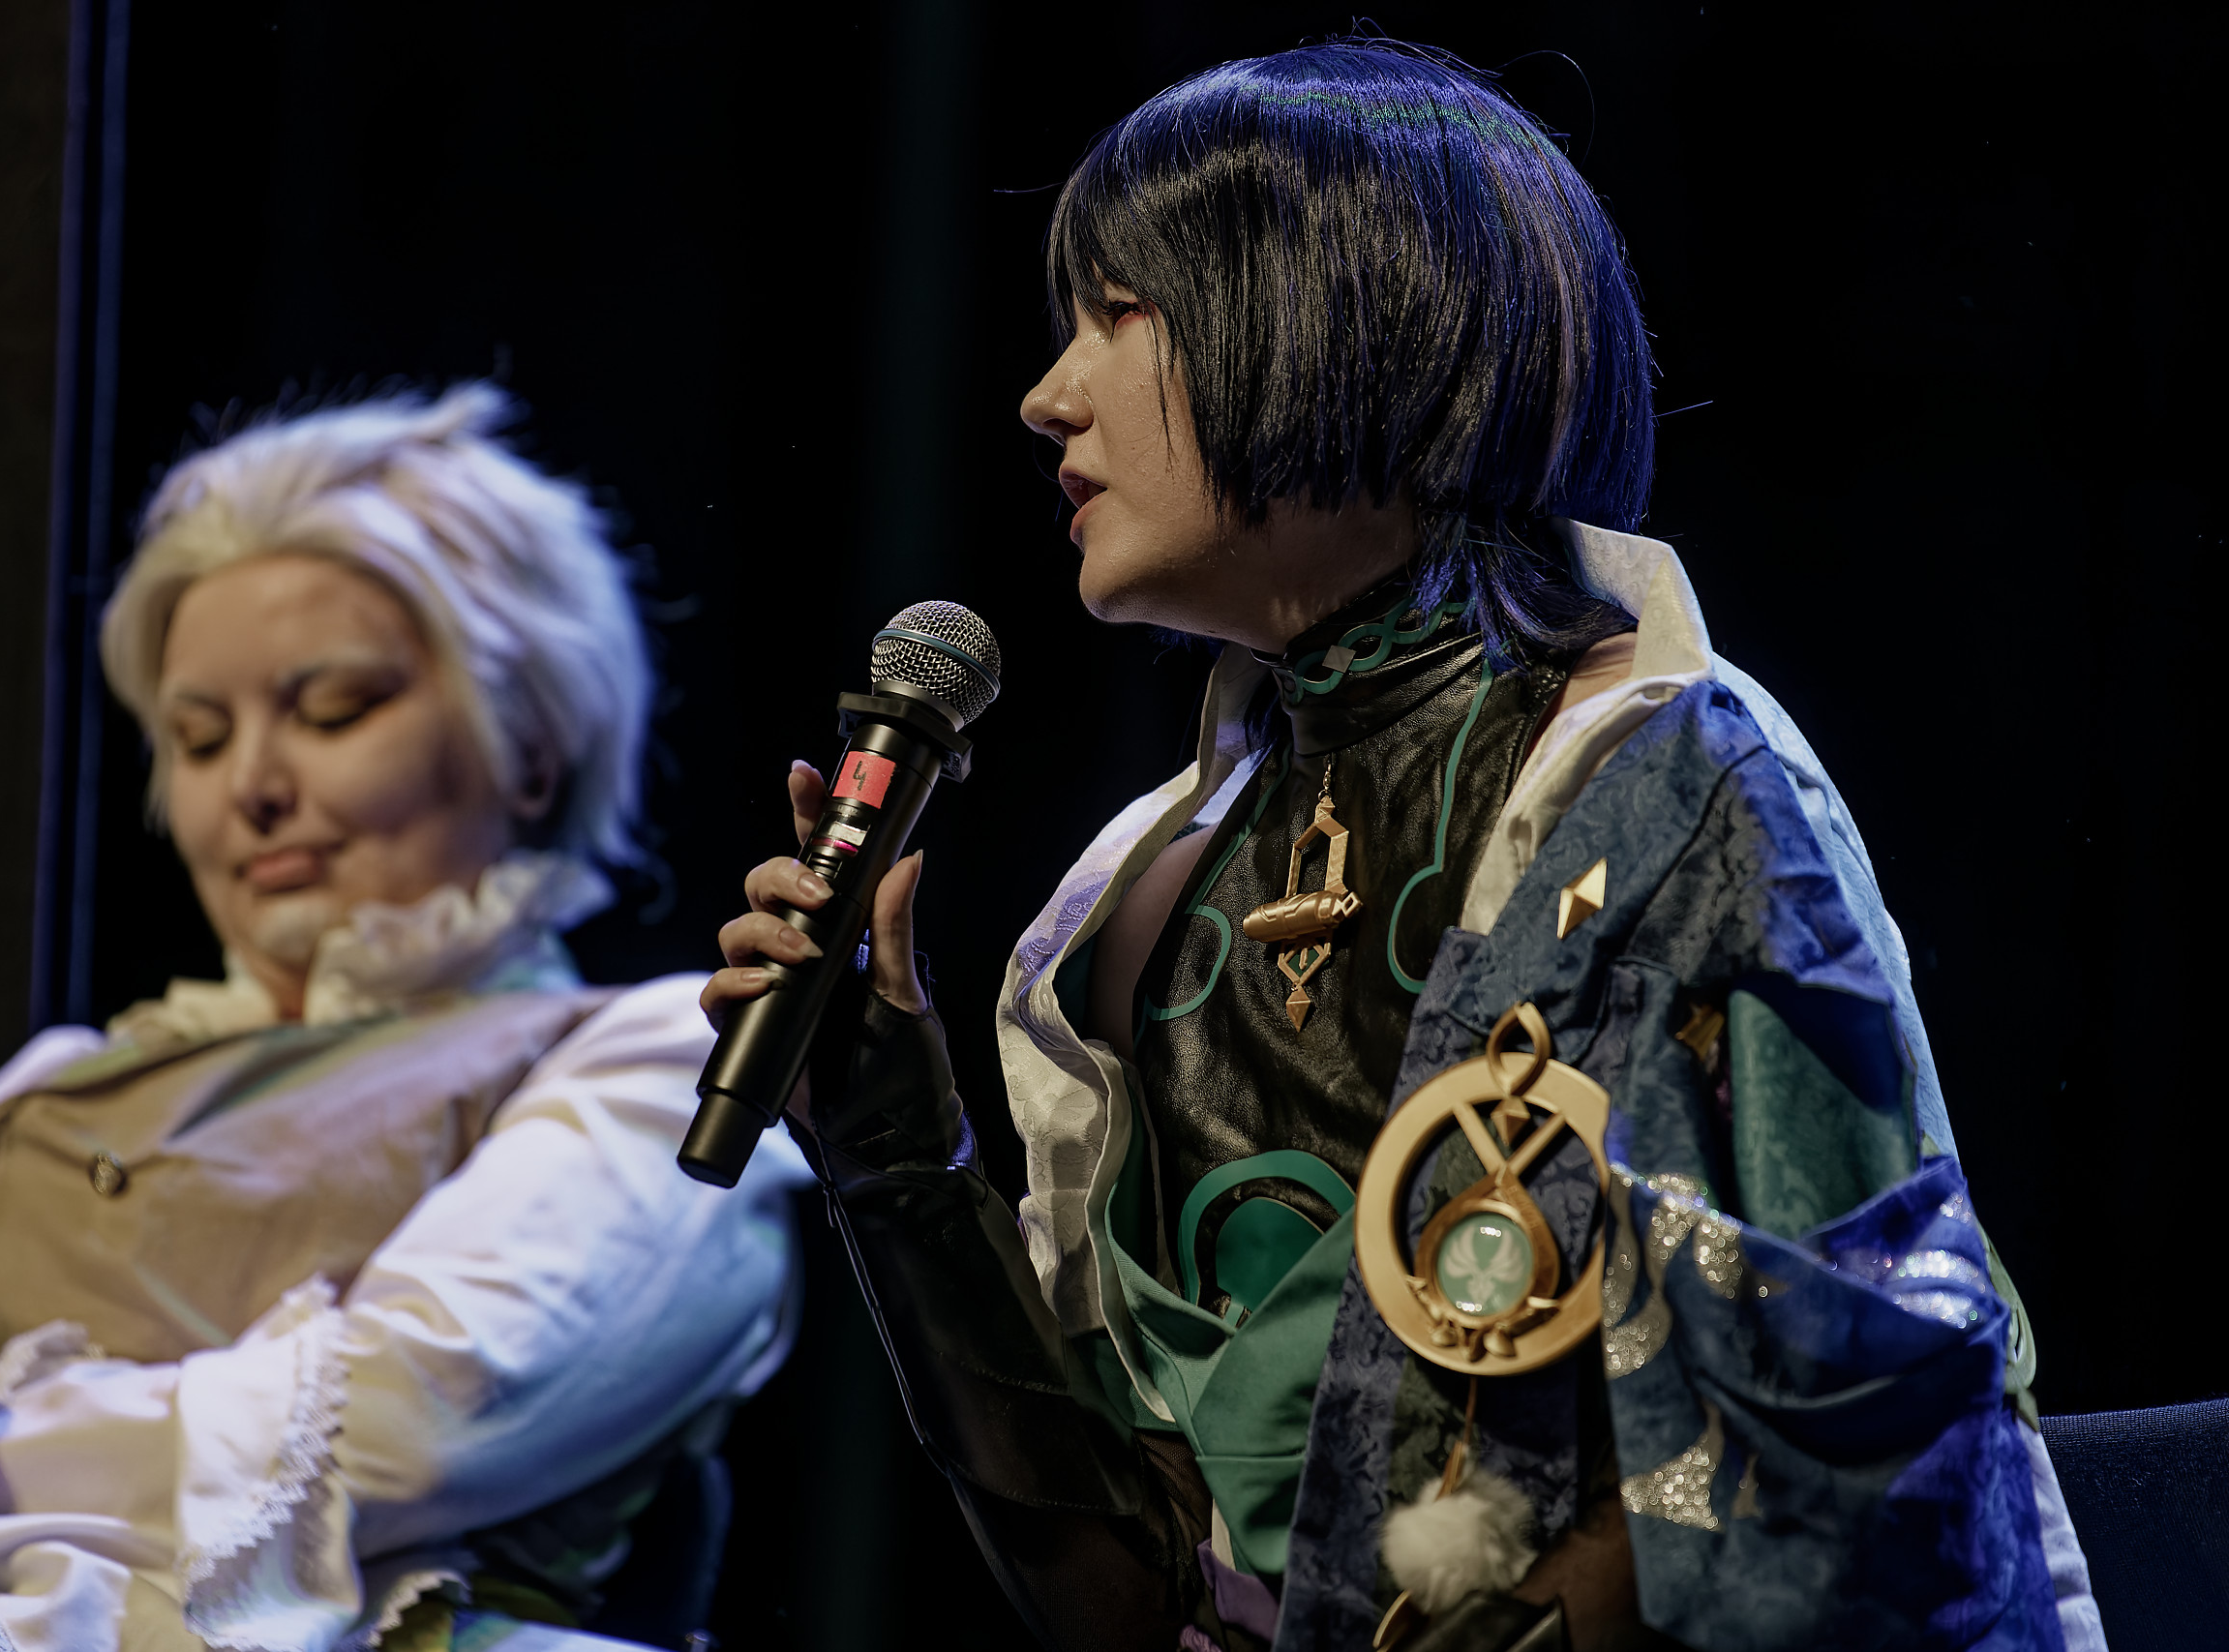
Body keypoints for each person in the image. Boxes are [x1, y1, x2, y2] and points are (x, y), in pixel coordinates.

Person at [705, 43, 2101, 1652]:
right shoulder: (1122, 902)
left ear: (1347, 318)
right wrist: (896, 1149)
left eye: (1117, 312)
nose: (1046, 396)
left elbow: (1840, 1453)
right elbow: (1134, 1602)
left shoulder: (1668, 790)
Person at [0, 385, 809, 1652]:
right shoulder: (54, 1081)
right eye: (200, 739)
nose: (251, 786)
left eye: (332, 712)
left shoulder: (660, 1058)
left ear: (530, 748)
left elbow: (406, 1423)